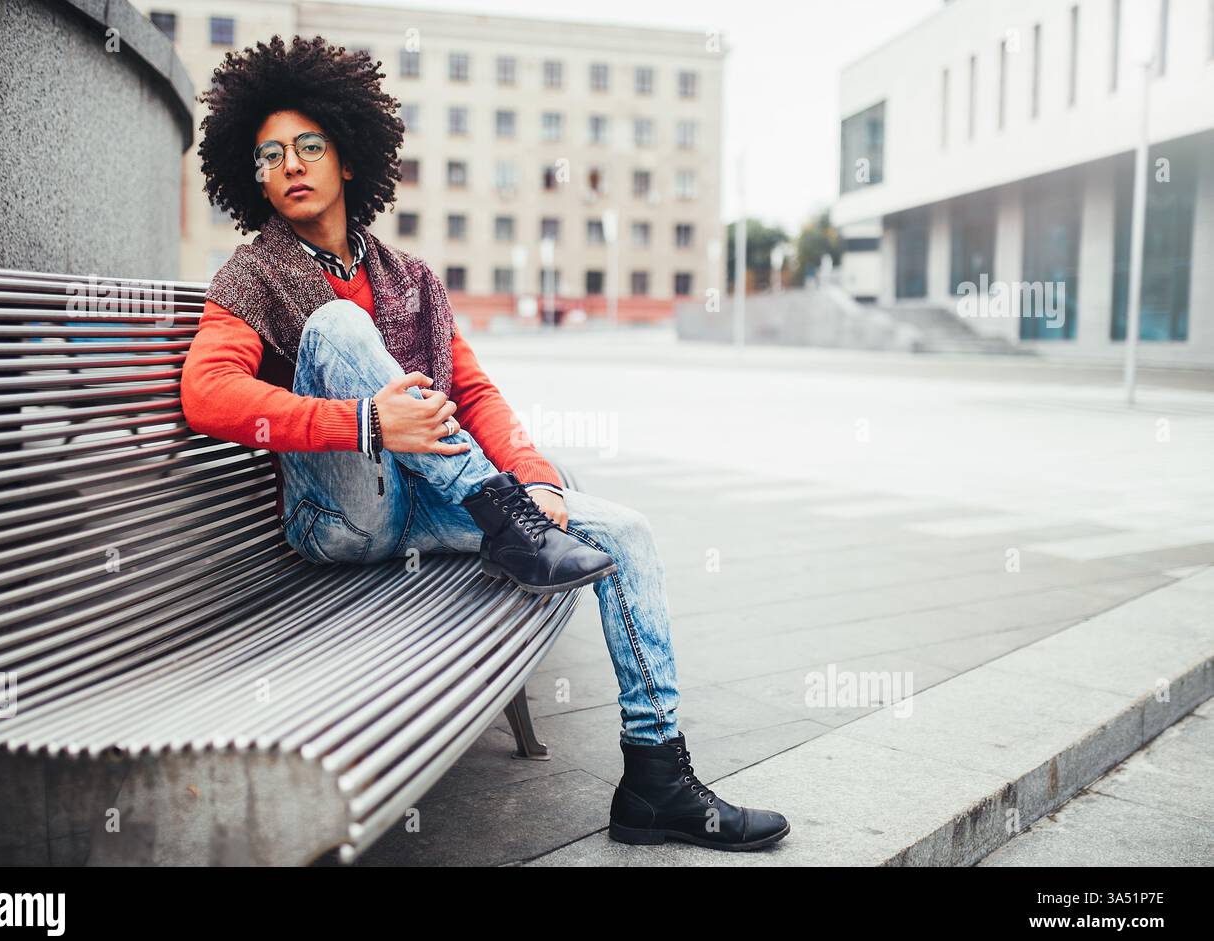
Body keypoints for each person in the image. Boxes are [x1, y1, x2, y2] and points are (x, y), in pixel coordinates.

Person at [181, 34, 789, 852]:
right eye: (269, 154)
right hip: (341, 516)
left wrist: (535, 479)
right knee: (339, 326)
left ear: (348, 156)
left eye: (308, 146)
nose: (289, 163)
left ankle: (656, 778)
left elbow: (474, 393)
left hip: (432, 508)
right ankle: (504, 514)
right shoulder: (253, 274)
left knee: (626, 532)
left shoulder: (414, 279)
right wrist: (362, 421)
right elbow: (207, 394)